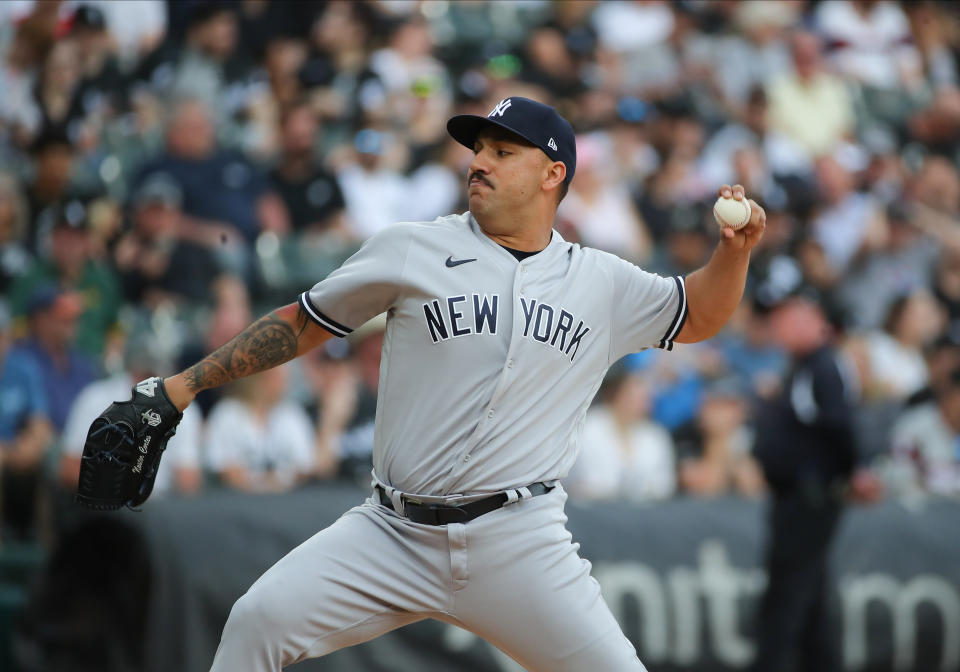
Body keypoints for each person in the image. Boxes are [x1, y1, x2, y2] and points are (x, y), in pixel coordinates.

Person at [155, 97, 766, 670]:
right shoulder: (411, 248)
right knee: (255, 623)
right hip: (391, 533)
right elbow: (299, 325)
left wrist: (733, 253)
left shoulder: (600, 281)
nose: (479, 163)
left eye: (503, 153)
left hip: (519, 541)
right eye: (478, 150)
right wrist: (179, 388)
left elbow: (698, 314)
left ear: (553, 174)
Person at [750, 287, 880, 672]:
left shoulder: (824, 367)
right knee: (811, 599)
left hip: (808, 500)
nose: (778, 325)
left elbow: (843, 427)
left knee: (786, 597)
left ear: (816, 321)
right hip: (798, 497)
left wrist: (855, 470)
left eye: (790, 316)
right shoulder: (802, 367)